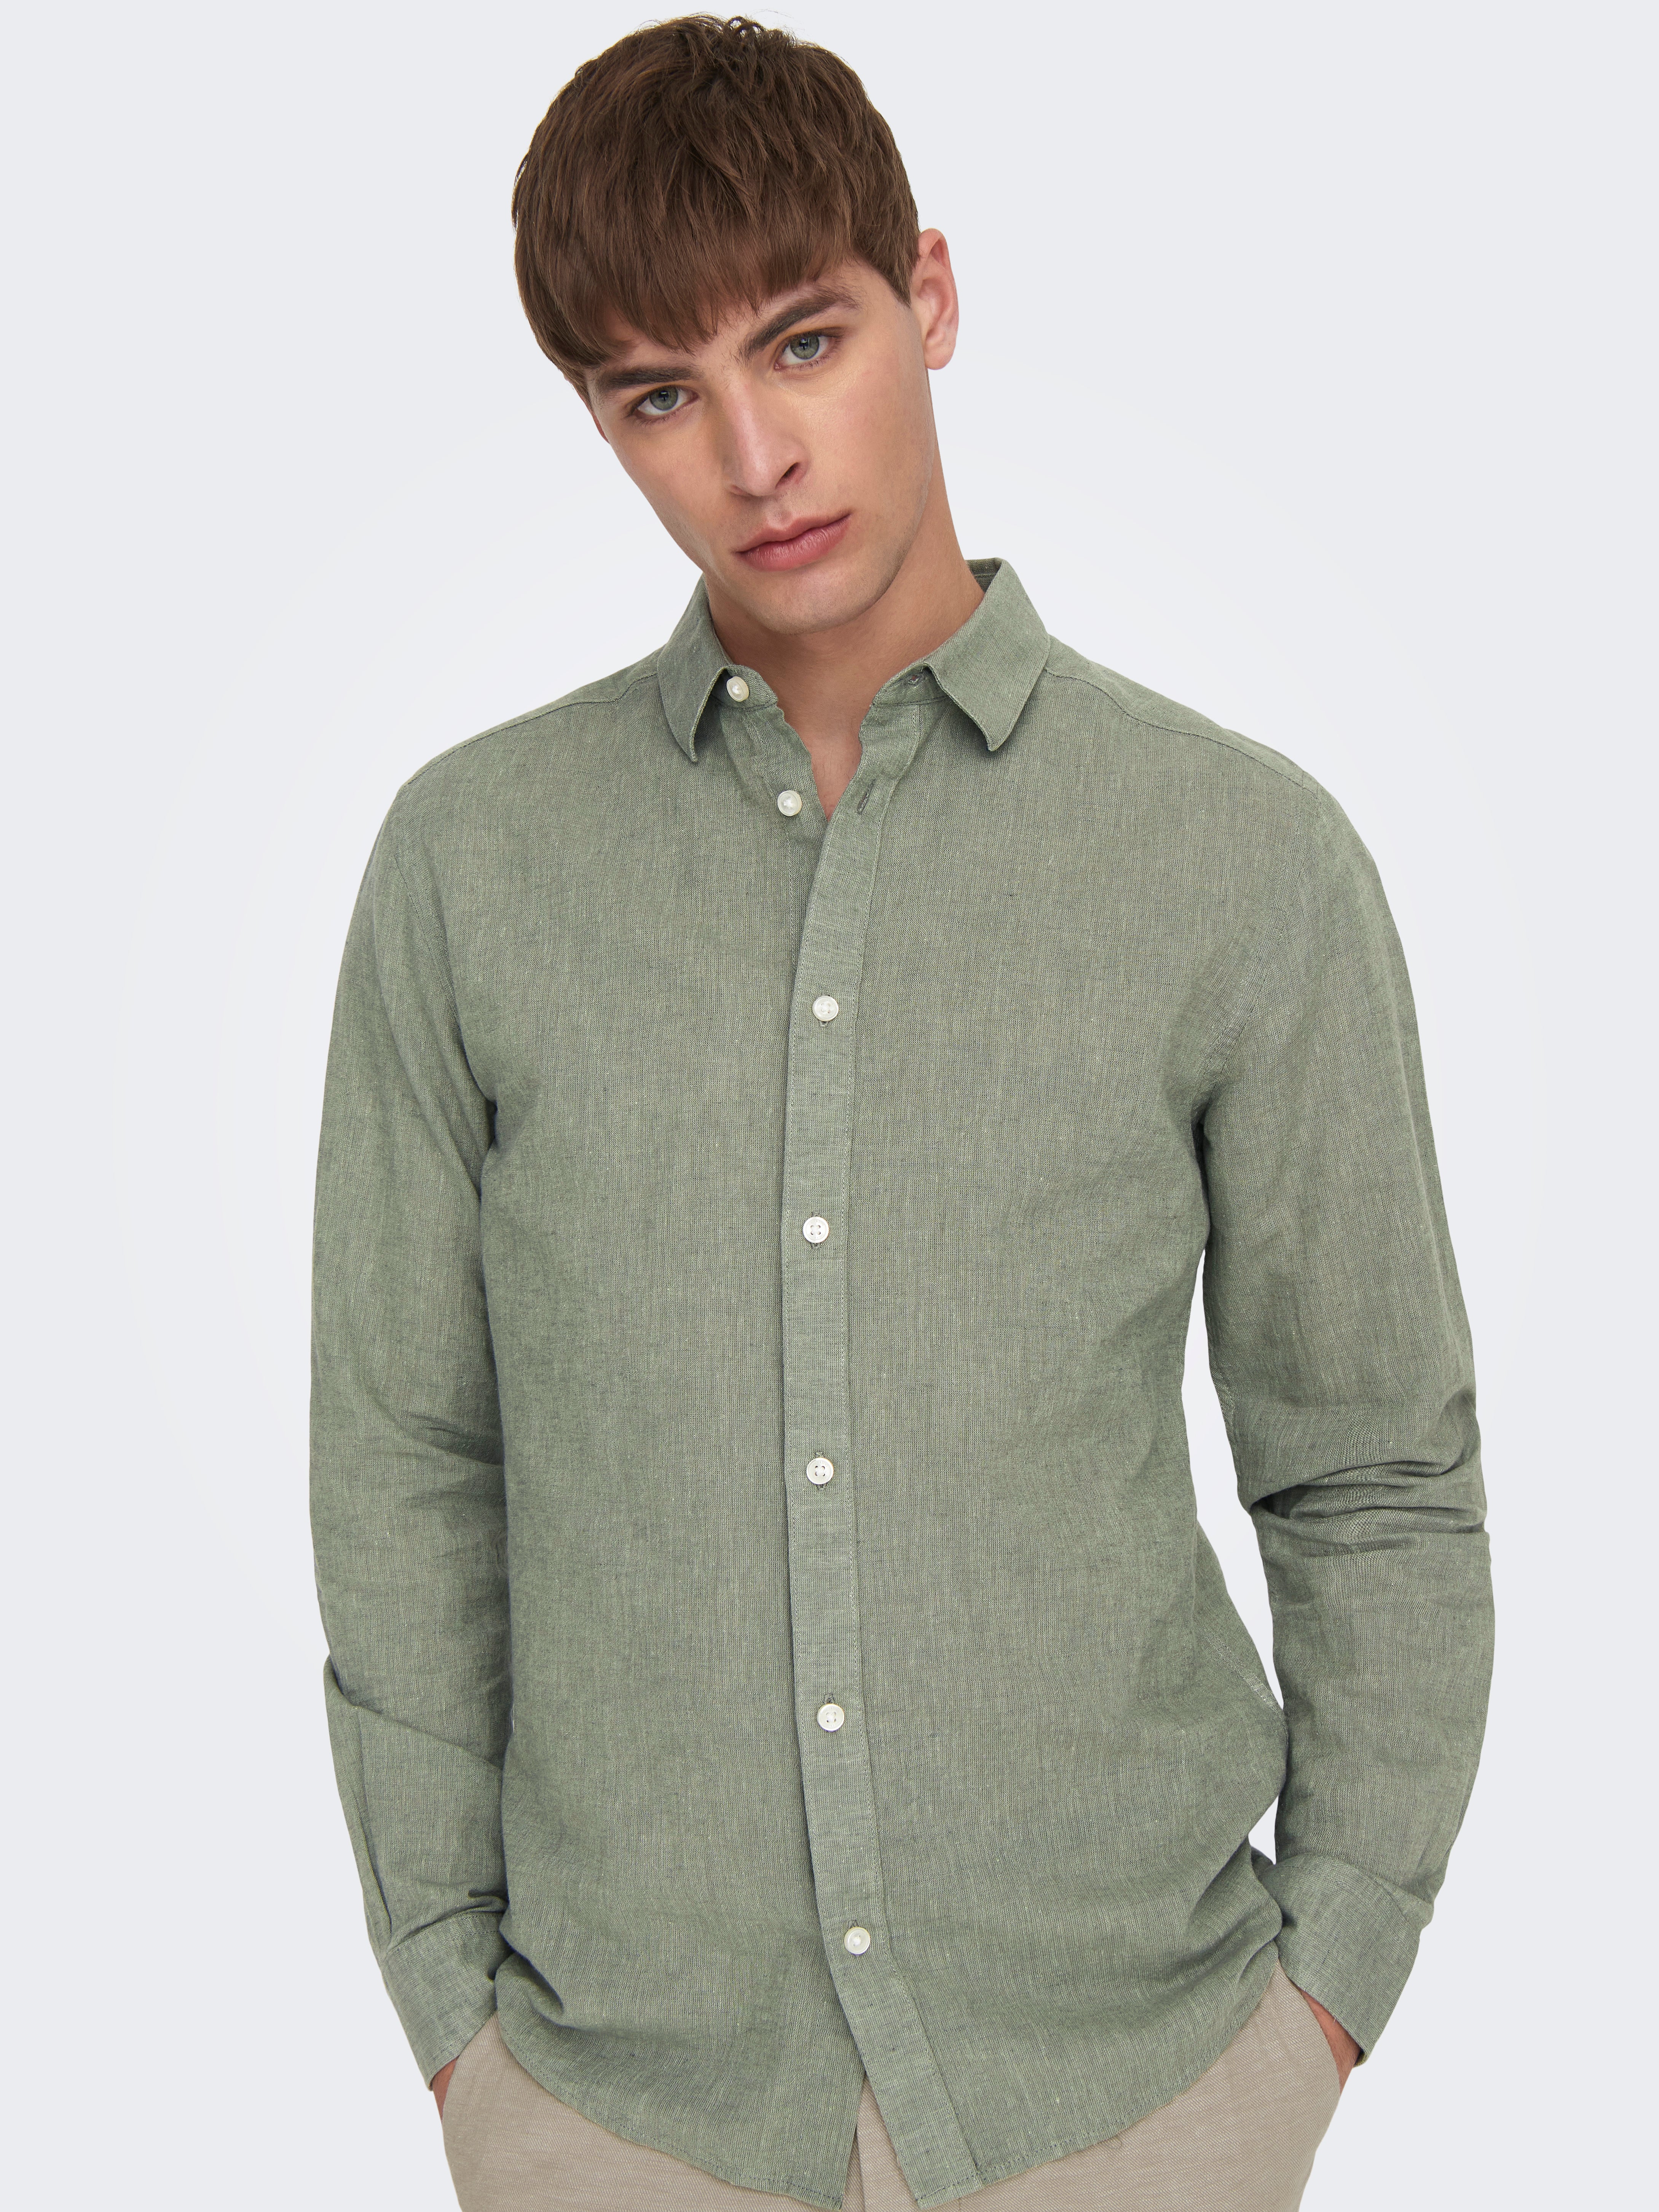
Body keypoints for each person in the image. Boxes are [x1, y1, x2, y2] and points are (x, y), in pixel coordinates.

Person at [309, 17, 1494, 2211]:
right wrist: (456, 2022)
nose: (756, 454)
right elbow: (405, 1464)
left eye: (804, 339)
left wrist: (1323, 1995)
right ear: (598, 421)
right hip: (618, 2106)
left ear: (926, 295)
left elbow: (1372, 1472)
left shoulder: (1240, 858)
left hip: (1137, 2090)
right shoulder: (470, 868)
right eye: (657, 395)